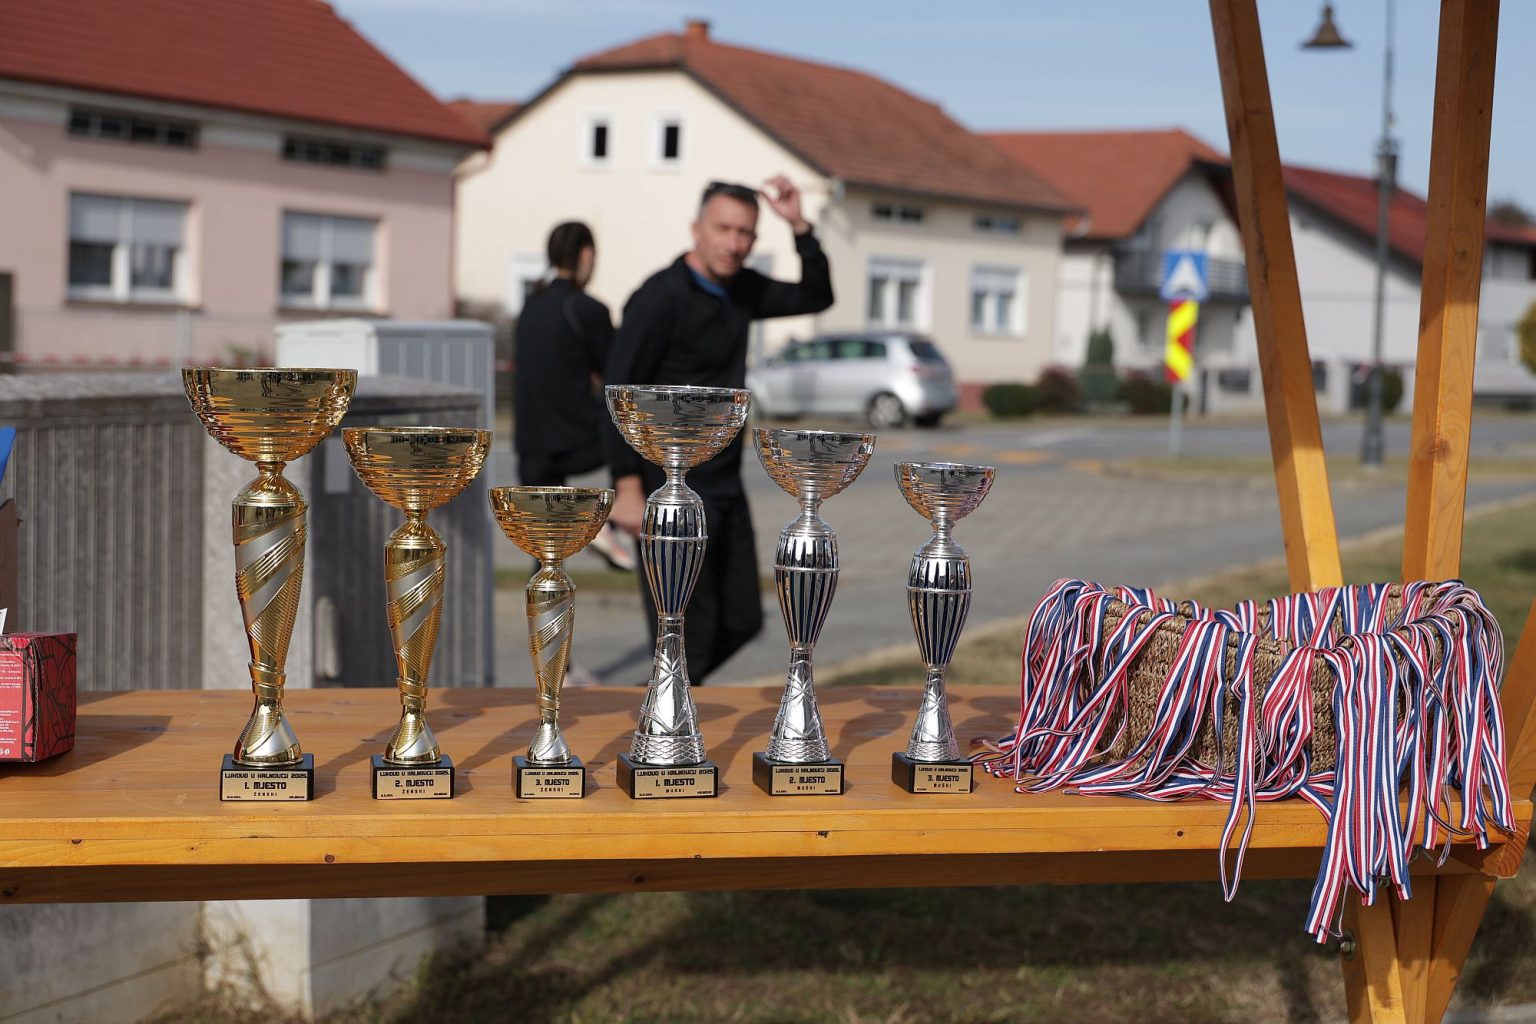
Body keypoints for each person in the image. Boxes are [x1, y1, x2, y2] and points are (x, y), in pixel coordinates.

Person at [605, 176, 834, 683]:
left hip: (725, 486)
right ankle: (663, 717)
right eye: (723, 229)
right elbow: (617, 394)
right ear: (697, 229)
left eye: (745, 233)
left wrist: (800, 226)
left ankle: (662, 704)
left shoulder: (742, 290)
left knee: (743, 621)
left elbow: (817, 295)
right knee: (687, 633)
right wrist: (626, 487)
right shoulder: (659, 297)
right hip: (667, 489)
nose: (734, 243)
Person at [513, 220, 633, 571]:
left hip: (530, 445)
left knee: (546, 559)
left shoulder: (530, 305)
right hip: (576, 440)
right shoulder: (587, 309)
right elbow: (615, 377)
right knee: (636, 435)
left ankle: (544, 615)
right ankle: (605, 523)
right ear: (586, 254)